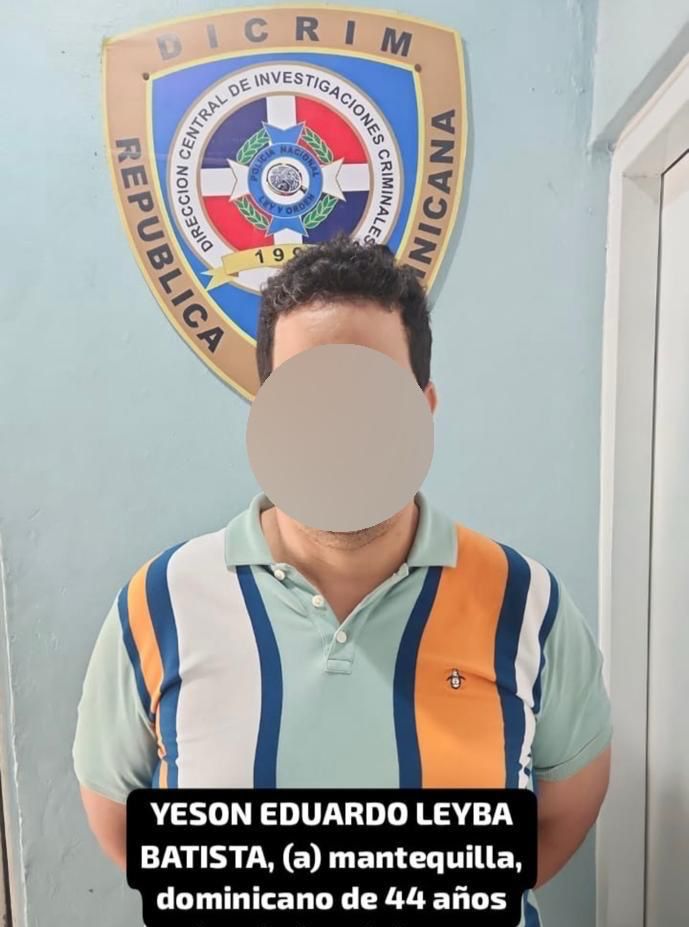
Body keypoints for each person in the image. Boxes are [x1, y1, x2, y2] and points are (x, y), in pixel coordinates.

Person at [73, 235, 611, 925]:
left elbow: (567, 805)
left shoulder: (527, 604)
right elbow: (118, 815)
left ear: (424, 407)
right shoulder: (159, 603)